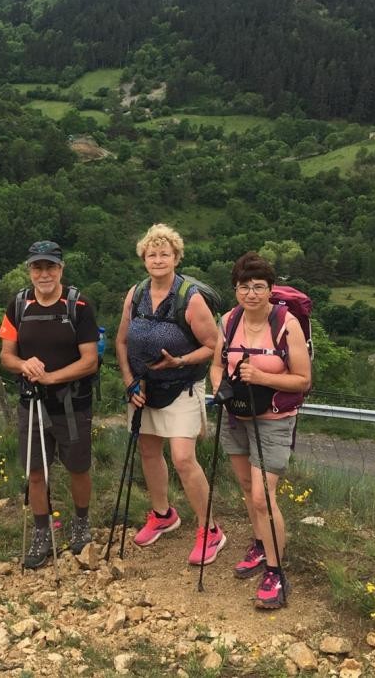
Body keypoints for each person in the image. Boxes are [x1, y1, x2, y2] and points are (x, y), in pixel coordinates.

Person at [115, 224, 224, 562]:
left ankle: (210, 530)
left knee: (182, 458)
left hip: (182, 386)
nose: (158, 259)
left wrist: (180, 360)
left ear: (176, 257)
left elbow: (214, 344)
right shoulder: (136, 294)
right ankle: (163, 515)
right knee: (148, 451)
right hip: (144, 388)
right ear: (143, 258)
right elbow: (121, 341)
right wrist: (129, 379)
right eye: (152, 254)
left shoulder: (189, 298)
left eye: (165, 253)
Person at [210, 252, 311, 610]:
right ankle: (259, 542)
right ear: (235, 289)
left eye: (258, 287)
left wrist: (262, 377)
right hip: (237, 415)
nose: (251, 293)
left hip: (273, 419)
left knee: (261, 497)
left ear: (270, 289)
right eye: (243, 287)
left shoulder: (287, 324)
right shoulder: (228, 321)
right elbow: (217, 363)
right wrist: (219, 389)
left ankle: (275, 570)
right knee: (244, 487)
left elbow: (302, 379)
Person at [0, 240, 99, 567]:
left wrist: (52, 378)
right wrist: (24, 366)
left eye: (50, 267)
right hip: (32, 403)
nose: (44, 274)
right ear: (30, 270)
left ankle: (81, 522)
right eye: (37, 267)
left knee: (78, 467)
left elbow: (90, 361)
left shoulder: (79, 306)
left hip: (73, 404)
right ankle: (42, 531)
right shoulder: (17, 304)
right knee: (36, 471)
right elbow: (6, 355)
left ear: (61, 269)